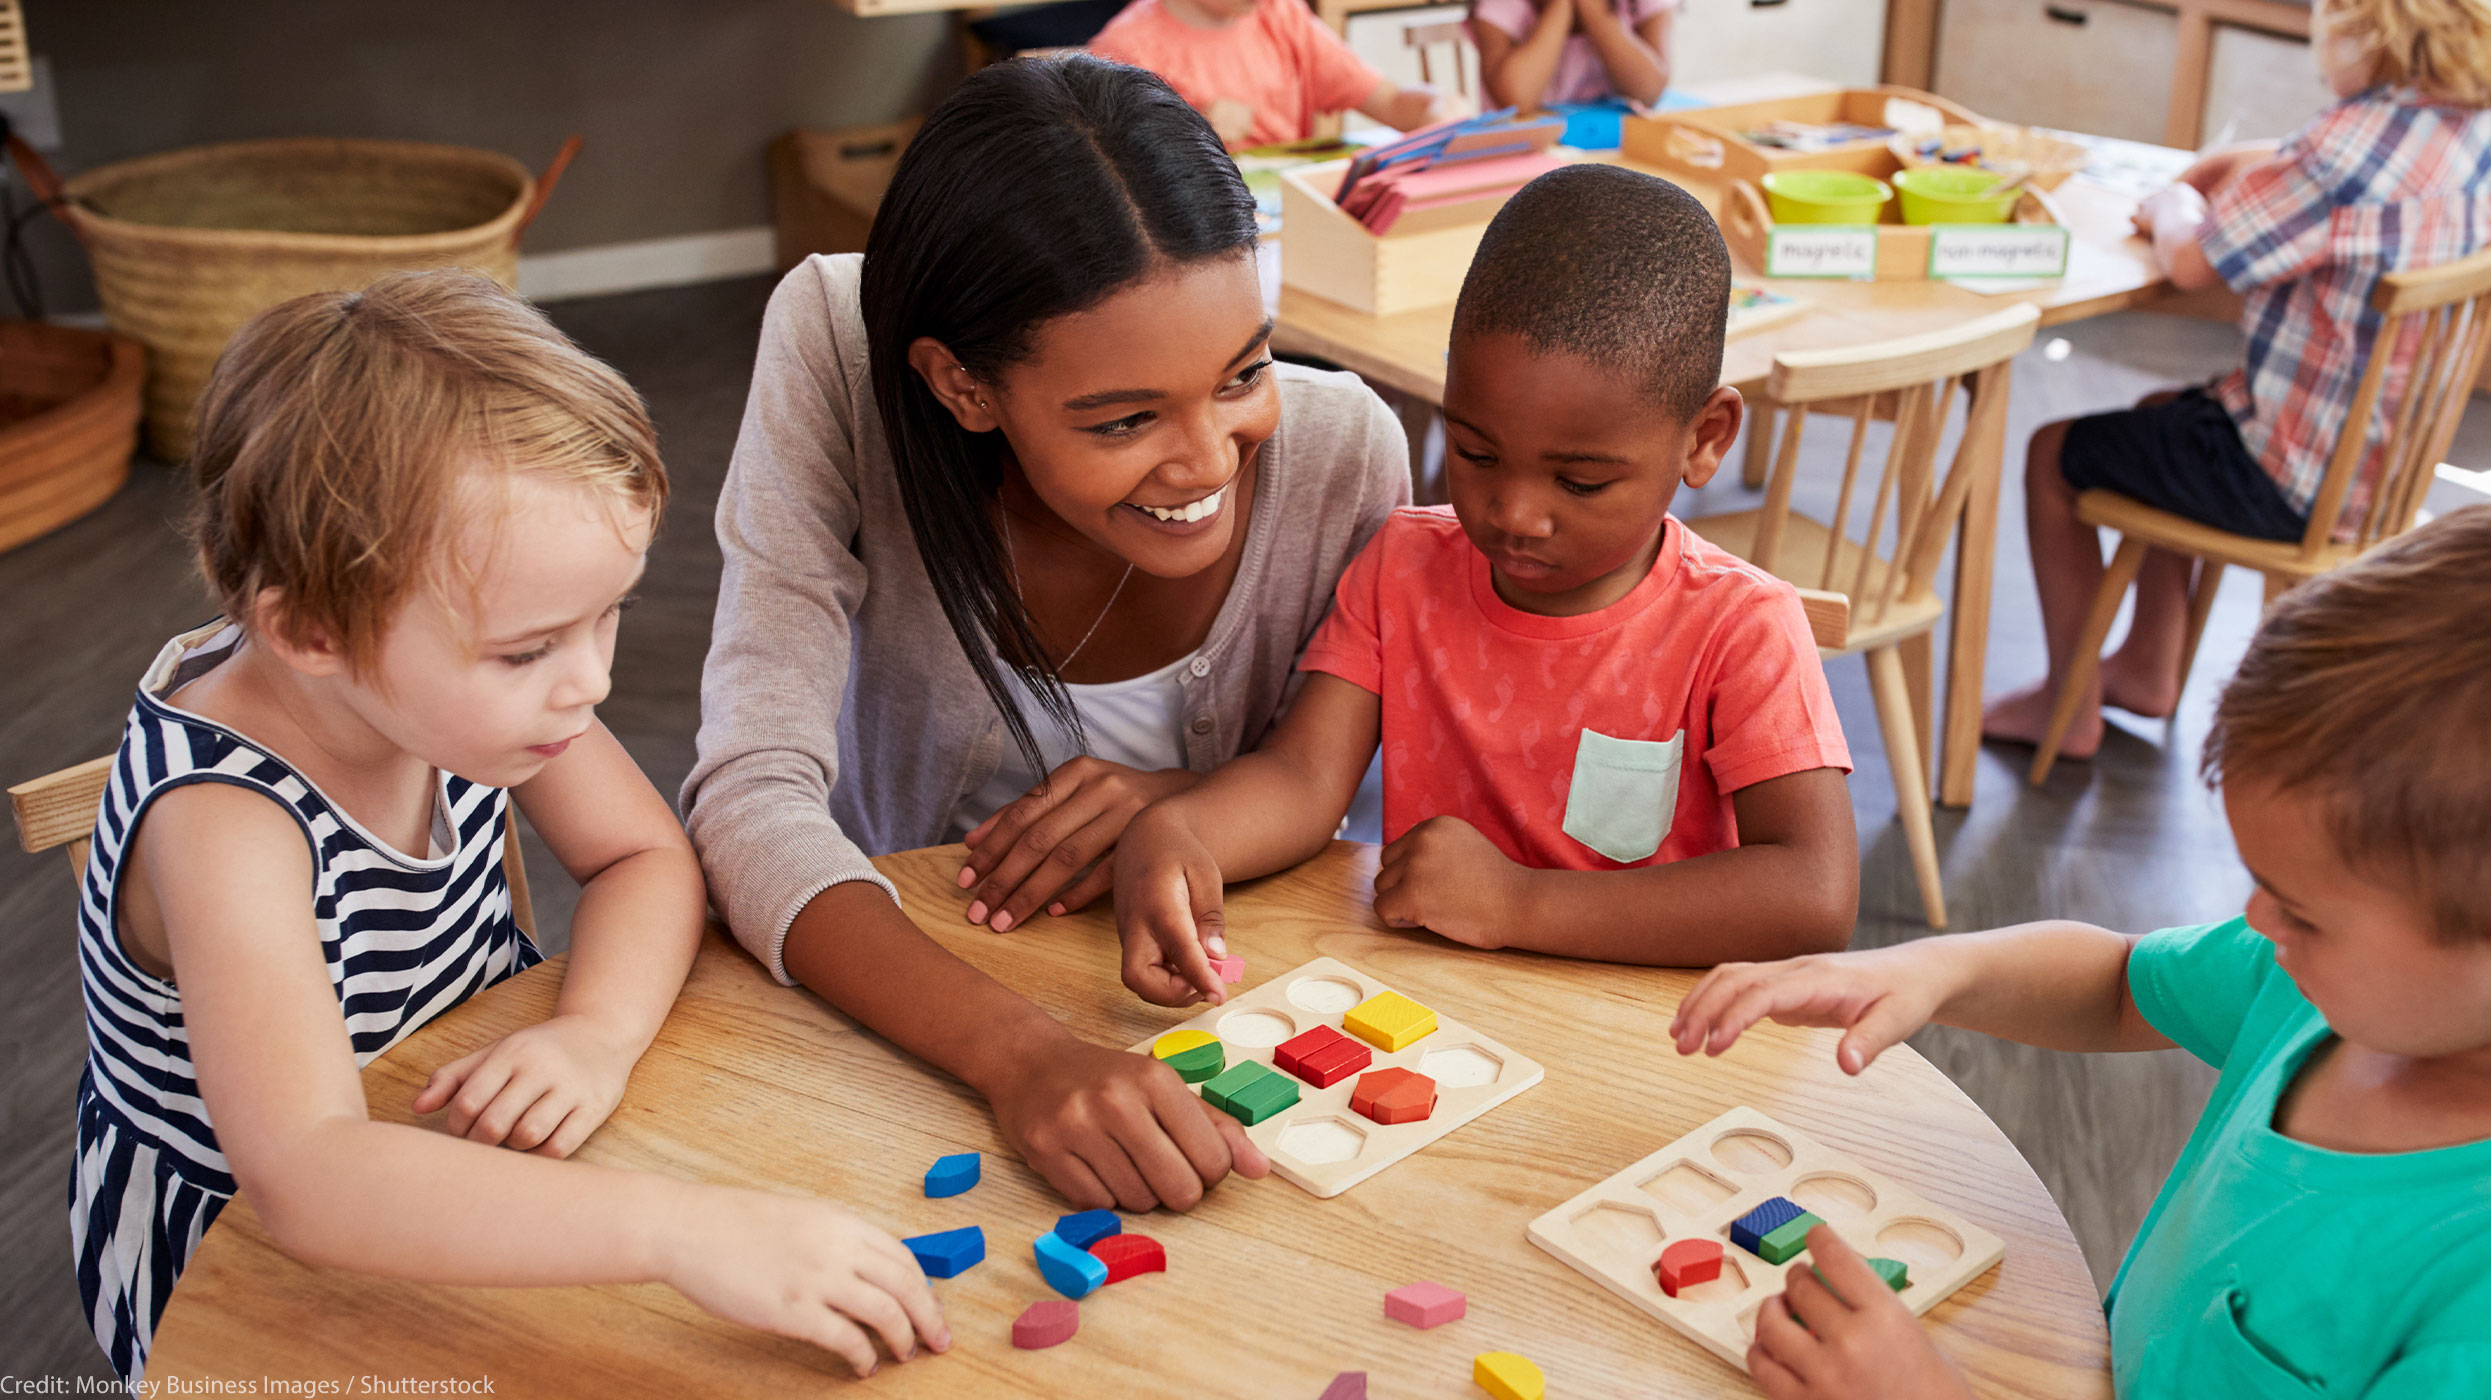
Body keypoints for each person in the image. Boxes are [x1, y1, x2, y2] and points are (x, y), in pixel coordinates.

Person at [1674, 503, 2491, 1399]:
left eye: (2301, 908)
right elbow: (2119, 983)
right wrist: (1932, 969)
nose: (2260, 923)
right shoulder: (2359, 995)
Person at [67, 271, 947, 1384]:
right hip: (243, 1262)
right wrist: (681, 1230)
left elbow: (641, 855)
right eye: (531, 647)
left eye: (607, 615)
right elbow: (309, 1176)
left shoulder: (448, 685)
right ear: (310, 632)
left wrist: (597, 1032)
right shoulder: (224, 824)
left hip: (467, 1131)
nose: (588, 681)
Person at [681, 56, 1412, 1212]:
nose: (1208, 461)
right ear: (961, 387)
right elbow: (747, 793)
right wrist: (1020, 1057)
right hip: (906, 992)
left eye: (1243, 372)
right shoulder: (840, 342)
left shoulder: (1343, 453)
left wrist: (1183, 798)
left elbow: (1344, 799)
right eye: (1124, 419)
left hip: (1222, 1024)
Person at [1108, 164, 1857, 1006]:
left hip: (1647, 1032)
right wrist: (1179, 829)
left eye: (1579, 483)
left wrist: (1519, 902)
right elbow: (1304, 782)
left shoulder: (1742, 627)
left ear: (1705, 439)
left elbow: (1813, 895)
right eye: (1476, 453)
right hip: (1435, 1013)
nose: (1514, 514)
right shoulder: (1403, 566)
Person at [1980, 0, 2491, 760]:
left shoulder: (2336, 153)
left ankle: (2063, 705)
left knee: (2053, 454)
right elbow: (2327, 180)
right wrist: (2271, 160)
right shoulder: (2482, 130)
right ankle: (2145, 667)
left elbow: (2196, 260)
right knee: (2161, 414)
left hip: (2288, 482)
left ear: (2370, 32)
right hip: (2379, 468)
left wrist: (2174, 204)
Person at [1089, 0, 1465, 149]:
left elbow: (1391, 102)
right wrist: (1192, 133)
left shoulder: (1280, 13)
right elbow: (1115, 177)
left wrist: (1438, 107)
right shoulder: (1124, 49)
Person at [1471, 0, 1675, 114]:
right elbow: (1516, 101)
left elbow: (1649, 91)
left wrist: (1594, 11)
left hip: (1614, 153)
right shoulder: (1501, 5)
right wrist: (1560, 7)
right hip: (1529, 159)